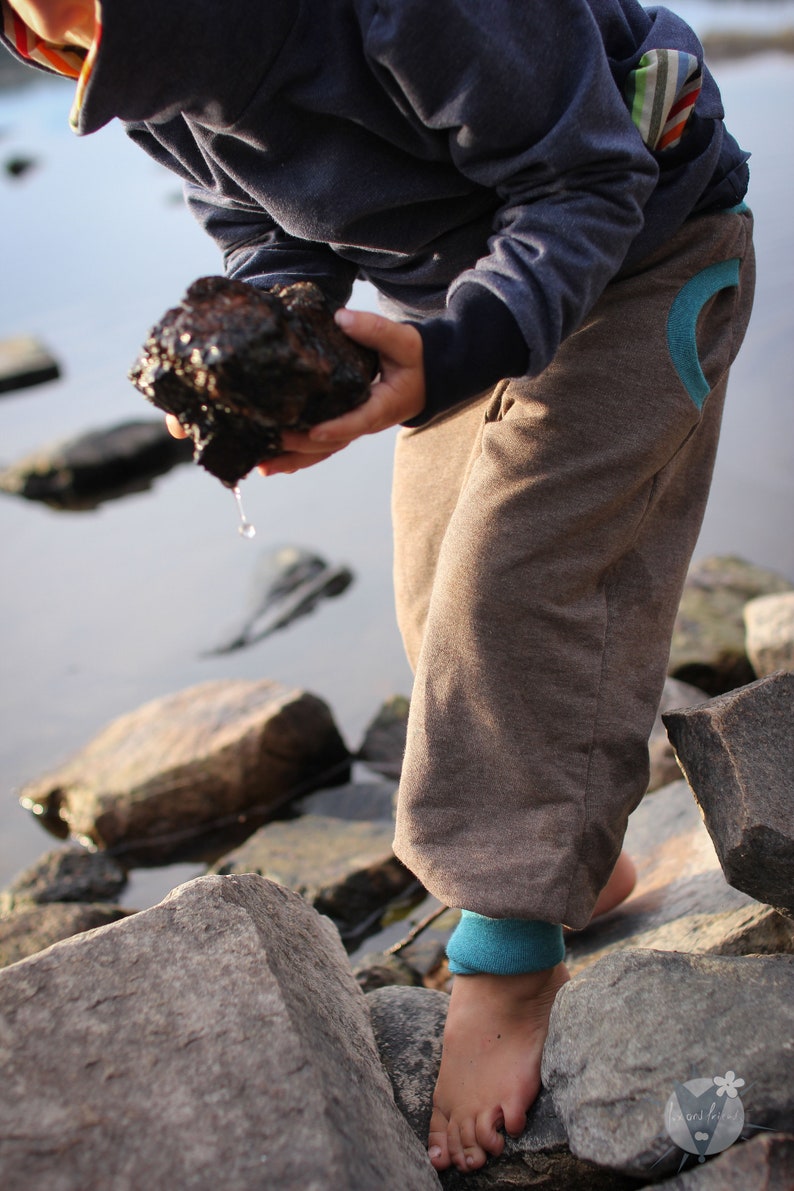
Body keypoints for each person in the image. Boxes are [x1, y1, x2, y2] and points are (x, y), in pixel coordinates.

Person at [2, 0, 755, 1174]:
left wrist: (449, 355)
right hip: (452, 301)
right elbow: (254, 218)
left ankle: (506, 958)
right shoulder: (95, 50)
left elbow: (585, 180)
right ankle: (569, 856)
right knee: (432, 590)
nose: (49, 26)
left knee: (513, 588)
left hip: (638, 257)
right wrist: (276, 342)